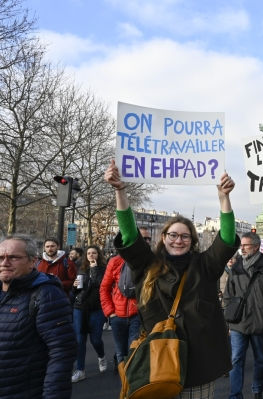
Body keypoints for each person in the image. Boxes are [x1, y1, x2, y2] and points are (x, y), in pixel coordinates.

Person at [104, 159, 240, 398]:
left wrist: (223, 198)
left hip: (197, 368)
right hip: (155, 364)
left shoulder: (205, 265)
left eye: (185, 236)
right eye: (173, 235)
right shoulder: (147, 263)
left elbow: (227, 239)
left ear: (193, 241)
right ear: (163, 237)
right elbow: (129, 233)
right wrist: (120, 190)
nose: (179, 240)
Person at [0, 235, 78, 398]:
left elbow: (61, 351)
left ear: (32, 261)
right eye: (0, 257)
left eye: (13, 257)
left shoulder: (46, 294)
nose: (4, 263)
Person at [224, 232, 263, 399]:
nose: (241, 248)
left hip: (259, 322)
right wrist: (228, 317)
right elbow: (228, 294)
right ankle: (235, 395)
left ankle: (257, 390)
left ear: (256, 247)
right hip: (238, 322)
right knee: (236, 361)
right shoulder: (236, 267)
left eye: (245, 245)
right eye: (241, 245)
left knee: (260, 361)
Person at [99, 228, 150, 366]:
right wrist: (110, 312)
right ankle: (124, 384)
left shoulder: (149, 261)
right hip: (118, 315)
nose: (146, 242)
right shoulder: (115, 261)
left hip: (137, 315)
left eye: (148, 239)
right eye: (143, 239)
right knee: (120, 352)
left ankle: (131, 385)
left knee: (133, 352)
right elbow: (104, 287)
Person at [71, 245, 108, 383]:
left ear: (99, 255)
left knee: (95, 339)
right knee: (80, 340)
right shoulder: (81, 269)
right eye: (89, 253)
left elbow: (101, 285)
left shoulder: (103, 269)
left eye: (94, 253)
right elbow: (75, 291)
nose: (91, 255)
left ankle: (102, 356)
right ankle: (80, 370)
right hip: (80, 307)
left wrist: (94, 268)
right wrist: (74, 286)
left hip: (96, 308)